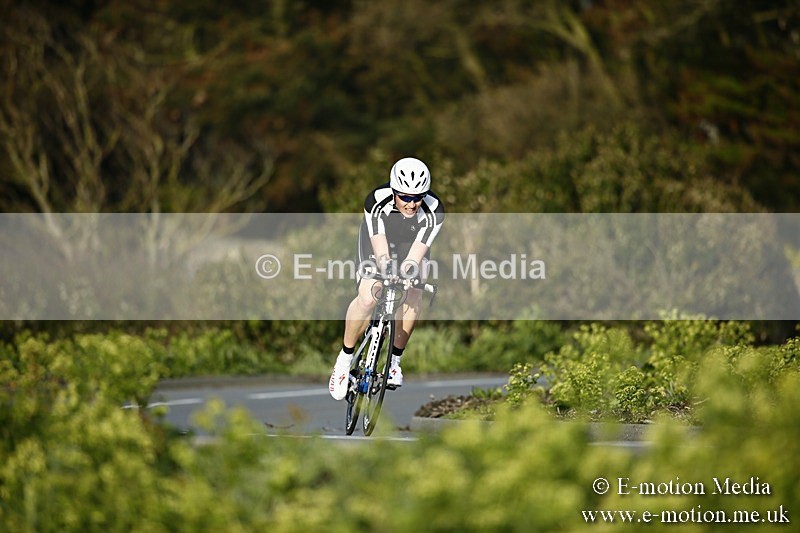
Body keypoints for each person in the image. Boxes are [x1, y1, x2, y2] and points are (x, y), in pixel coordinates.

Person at [329, 157, 445, 400]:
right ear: (394, 192)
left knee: (414, 292)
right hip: (378, 239)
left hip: (410, 244)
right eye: (405, 197)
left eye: (418, 197)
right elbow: (380, 251)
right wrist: (385, 269)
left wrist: (410, 273)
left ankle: (394, 362)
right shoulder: (376, 201)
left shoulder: (435, 210)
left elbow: (416, 255)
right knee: (370, 295)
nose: (412, 204)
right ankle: (344, 360)